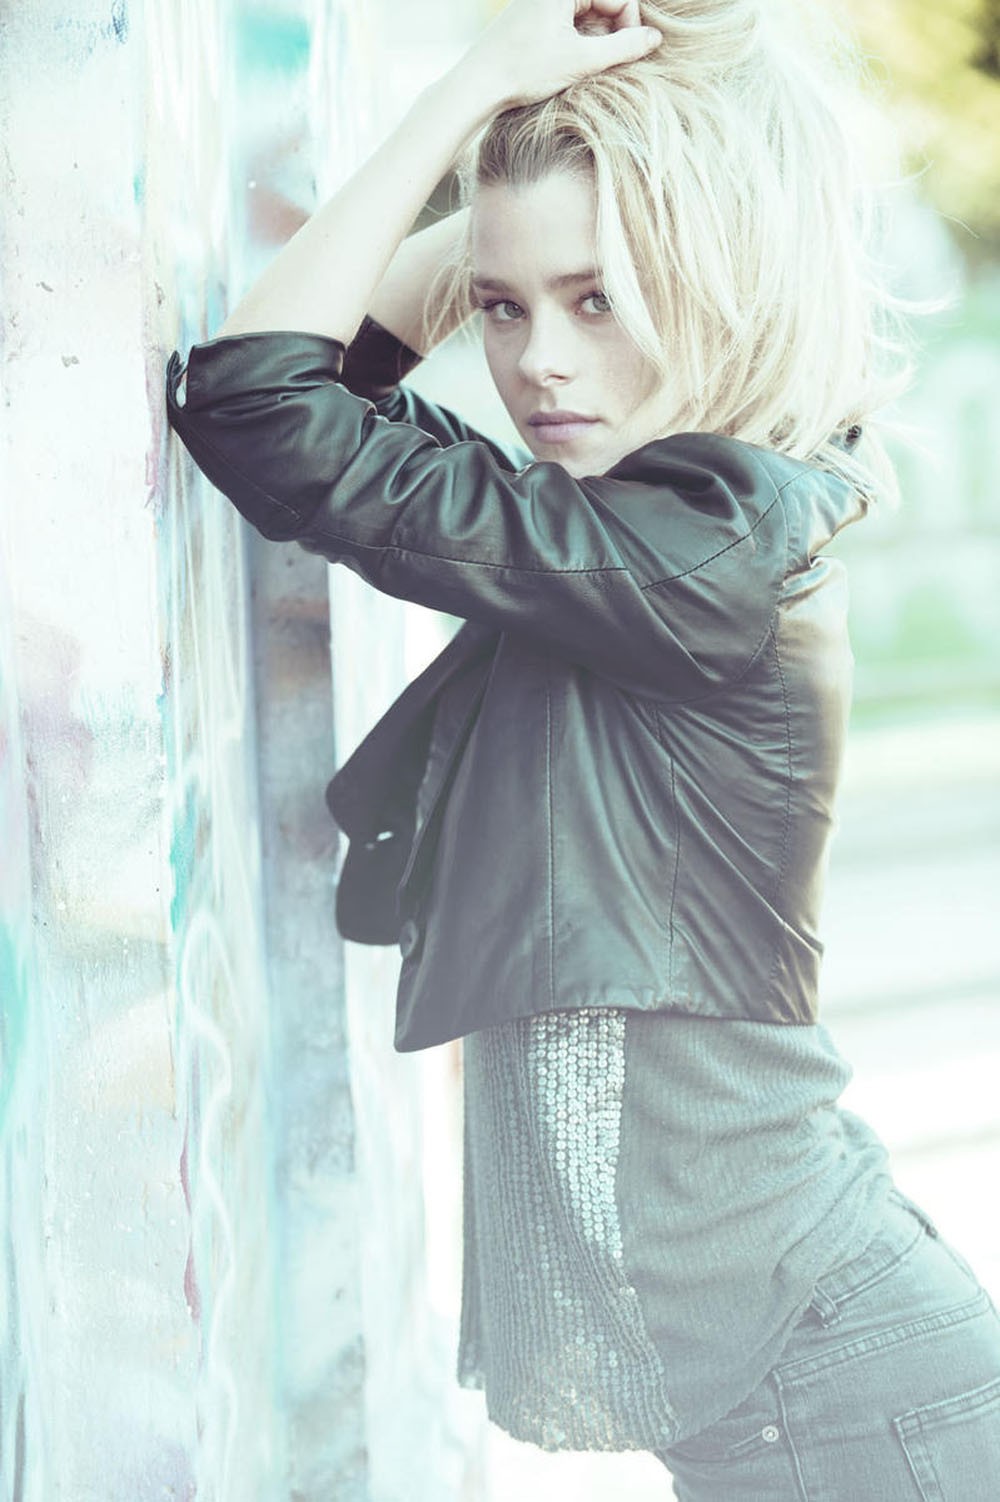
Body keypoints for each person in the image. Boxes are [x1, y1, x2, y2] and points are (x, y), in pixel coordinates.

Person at [165, 0, 1000, 1495]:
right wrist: (508, 209)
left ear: (721, 278)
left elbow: (260, 401)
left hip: (838, 1389)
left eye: (599, 300)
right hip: (804, 1378)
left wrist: (481, 84)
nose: (539, 362)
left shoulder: (697, 560)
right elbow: (302, 387)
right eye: (503, 308)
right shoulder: (637, 539)